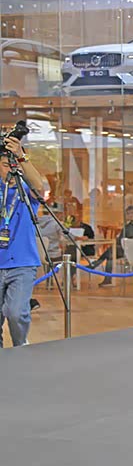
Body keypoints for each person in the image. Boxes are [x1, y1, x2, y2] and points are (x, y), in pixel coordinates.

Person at [0, 133, 46, 347]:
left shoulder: (25, 191)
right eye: (5, 164)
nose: (11, 168)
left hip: (22, 263)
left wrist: (20, 155)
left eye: (14, 164)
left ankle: (21, 347)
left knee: (16, 312)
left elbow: (39, 186)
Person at [89, 205, 133, 287]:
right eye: (128, 213)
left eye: (132, 213)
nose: (130, 215)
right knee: (110, 255)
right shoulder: (126, 226)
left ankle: (96, 265)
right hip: (124, 247)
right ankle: (107, 279)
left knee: (110, 252)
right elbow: (120, 239)